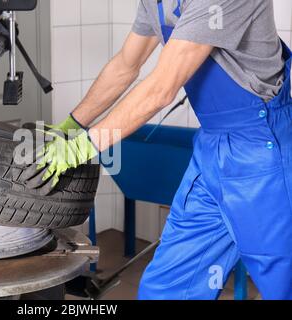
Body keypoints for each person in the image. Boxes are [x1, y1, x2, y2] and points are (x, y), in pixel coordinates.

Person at [25, 0, 292, 299]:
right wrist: (73, 125)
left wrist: (81, 148)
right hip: (212, 150)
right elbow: (126, 66)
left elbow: (162, 88)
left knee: (282, 281)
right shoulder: (154, 2)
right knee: (168, 288)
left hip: (263, 151)